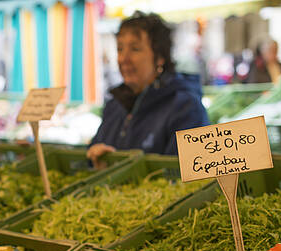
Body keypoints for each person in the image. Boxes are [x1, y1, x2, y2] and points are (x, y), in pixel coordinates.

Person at [87, 11, 209, 163]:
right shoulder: (114, 105)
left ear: (160, 57)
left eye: (135, 49)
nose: (124, 59)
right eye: (120, 49)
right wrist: (94, 159)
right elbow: (92, 152)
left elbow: (186, 172)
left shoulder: (185, 107)